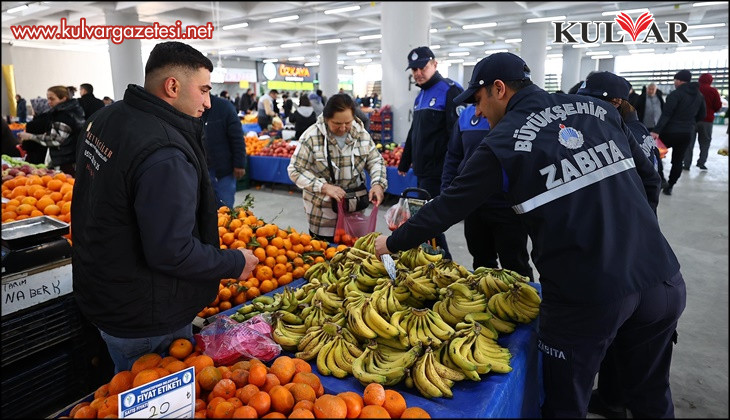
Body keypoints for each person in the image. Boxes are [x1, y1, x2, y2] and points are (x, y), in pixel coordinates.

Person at [374, 52, 684, 418]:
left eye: (479, 101)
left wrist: (391, 242)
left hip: (588, 294)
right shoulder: (594, 109)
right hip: (663, 278)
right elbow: (650, 178)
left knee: (564, 405)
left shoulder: (503, 142)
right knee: (651, 395)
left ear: (499, 89)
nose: (478, 113)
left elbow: (449, 206)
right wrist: (631, 233)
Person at [71, 41, 259, 373]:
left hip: (105, 292)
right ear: (172, 86)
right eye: (203, 89)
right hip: (146, 314)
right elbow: (172, 251)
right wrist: (233, 261)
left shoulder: (107, 118)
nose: (208, 101)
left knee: (121, 386)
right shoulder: (166, 153)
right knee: (153, 398)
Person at [441, 103, 532, 276]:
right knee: (481, 262)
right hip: (474, 205)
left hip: (508, 206)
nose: (478, 110)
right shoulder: (466, 116)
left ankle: (524, 301)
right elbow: (453, 156)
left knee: (515, 263)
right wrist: (447, 190)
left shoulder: (516, 115)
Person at [287, 93, 387, 242]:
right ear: (327, 119)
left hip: (354, 213)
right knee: (325, 258)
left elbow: (375, 160)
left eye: (347, 122)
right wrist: (324, 186)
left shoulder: (361, 135)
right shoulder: (311, 137)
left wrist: (378, 184)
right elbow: (295, 169)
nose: (343, 128)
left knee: (354, 258)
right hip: (323, 217)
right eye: (337, 124)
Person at [398, 46, 464, 259]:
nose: (417, 72)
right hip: (422, 172)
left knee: (428, 221)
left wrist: (452, 173)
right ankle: (432, 260)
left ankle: (444, 262)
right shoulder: (420, 96)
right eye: (414, 69)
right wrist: (404, 161)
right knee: (422, 220)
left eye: (422, 67)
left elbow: (457, 136)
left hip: (439, 173)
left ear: (434, 64)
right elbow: (413, 133)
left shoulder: (450, 90)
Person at [650, 70, 706, 196]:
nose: (674, 82)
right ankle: (670, 186)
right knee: (678, 160)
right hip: (686, 133)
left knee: (654, 152)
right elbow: (702, 114)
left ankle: (661, 178)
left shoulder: (675, 94)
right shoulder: (699, 95)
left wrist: (656, 131)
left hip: (670, 132)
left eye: (675, 80)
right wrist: (690, 123)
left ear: (679, 80)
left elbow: (666, 114)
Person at [17, 85, 85, 175]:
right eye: (48, 98)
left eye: (52, 99)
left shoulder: (62, 116)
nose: (49, 102)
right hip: (73, 157)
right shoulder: (73, 111)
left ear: (63, 98)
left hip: (66, 160)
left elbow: (55, 140)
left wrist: (30, 136)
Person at [203, 94, 246, 209]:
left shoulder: (224, 107)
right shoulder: (188, 107)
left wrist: (239, 163)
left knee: (224, 210)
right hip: (199, 171)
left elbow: (237, 137)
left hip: (223, 171)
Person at [684, 73, 723, 171]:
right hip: (707, 121)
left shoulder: (693, 89)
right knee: (705, 143)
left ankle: (687, 163)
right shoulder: (713, 91)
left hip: (692, 120)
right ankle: (701, 163)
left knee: (689, 143)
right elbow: (718, 106)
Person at [634, 82, 666, 186]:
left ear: (656, 90)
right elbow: (636, 110)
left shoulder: (660, 98)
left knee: (656, 151)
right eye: (649, 89)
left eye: (653, 89)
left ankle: (660, 174)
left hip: (656, 128)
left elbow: (664, 111)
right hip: (644, 127)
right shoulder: (642, 98)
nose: (650, 91)